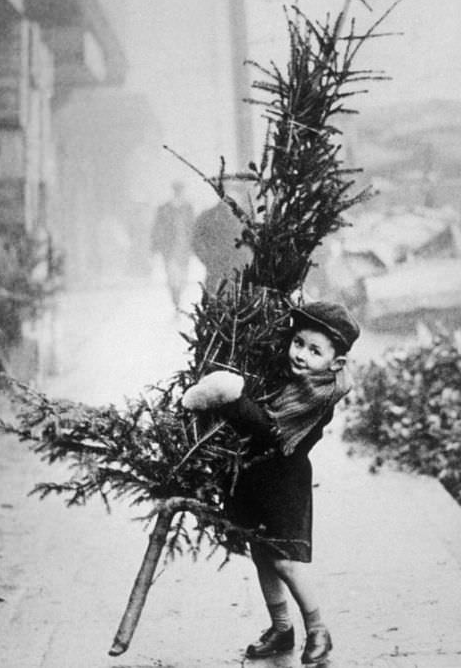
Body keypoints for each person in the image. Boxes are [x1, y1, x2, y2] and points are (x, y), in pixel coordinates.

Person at [182, 300, 360, 665]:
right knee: (262, 554)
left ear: (336, 363)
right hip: (256, 477)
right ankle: (281, 628)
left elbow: (270, 432)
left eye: (315, 351)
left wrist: (233, 399)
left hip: (284, 484)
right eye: (298, 343)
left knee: (286, 562)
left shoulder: (318, 393)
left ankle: (318, 630)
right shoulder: (290, 377)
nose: (301, 355)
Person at [191, 196, 252, 293]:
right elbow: (196, 242)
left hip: (238, 271)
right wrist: (209, 260)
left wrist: (244, 259)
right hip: (215, 270)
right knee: (214, 295)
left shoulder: (243, 217)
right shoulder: (208, 216)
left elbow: (251, 243)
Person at [150, 181, 194, 311]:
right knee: (171, 275)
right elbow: (157, 228)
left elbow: (192, 227)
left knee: (183, 275)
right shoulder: (164, 208)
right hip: (169, 248)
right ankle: (175, 296)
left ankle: (178, 293)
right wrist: (155, 246)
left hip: (184, 248)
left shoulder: (188, 208)